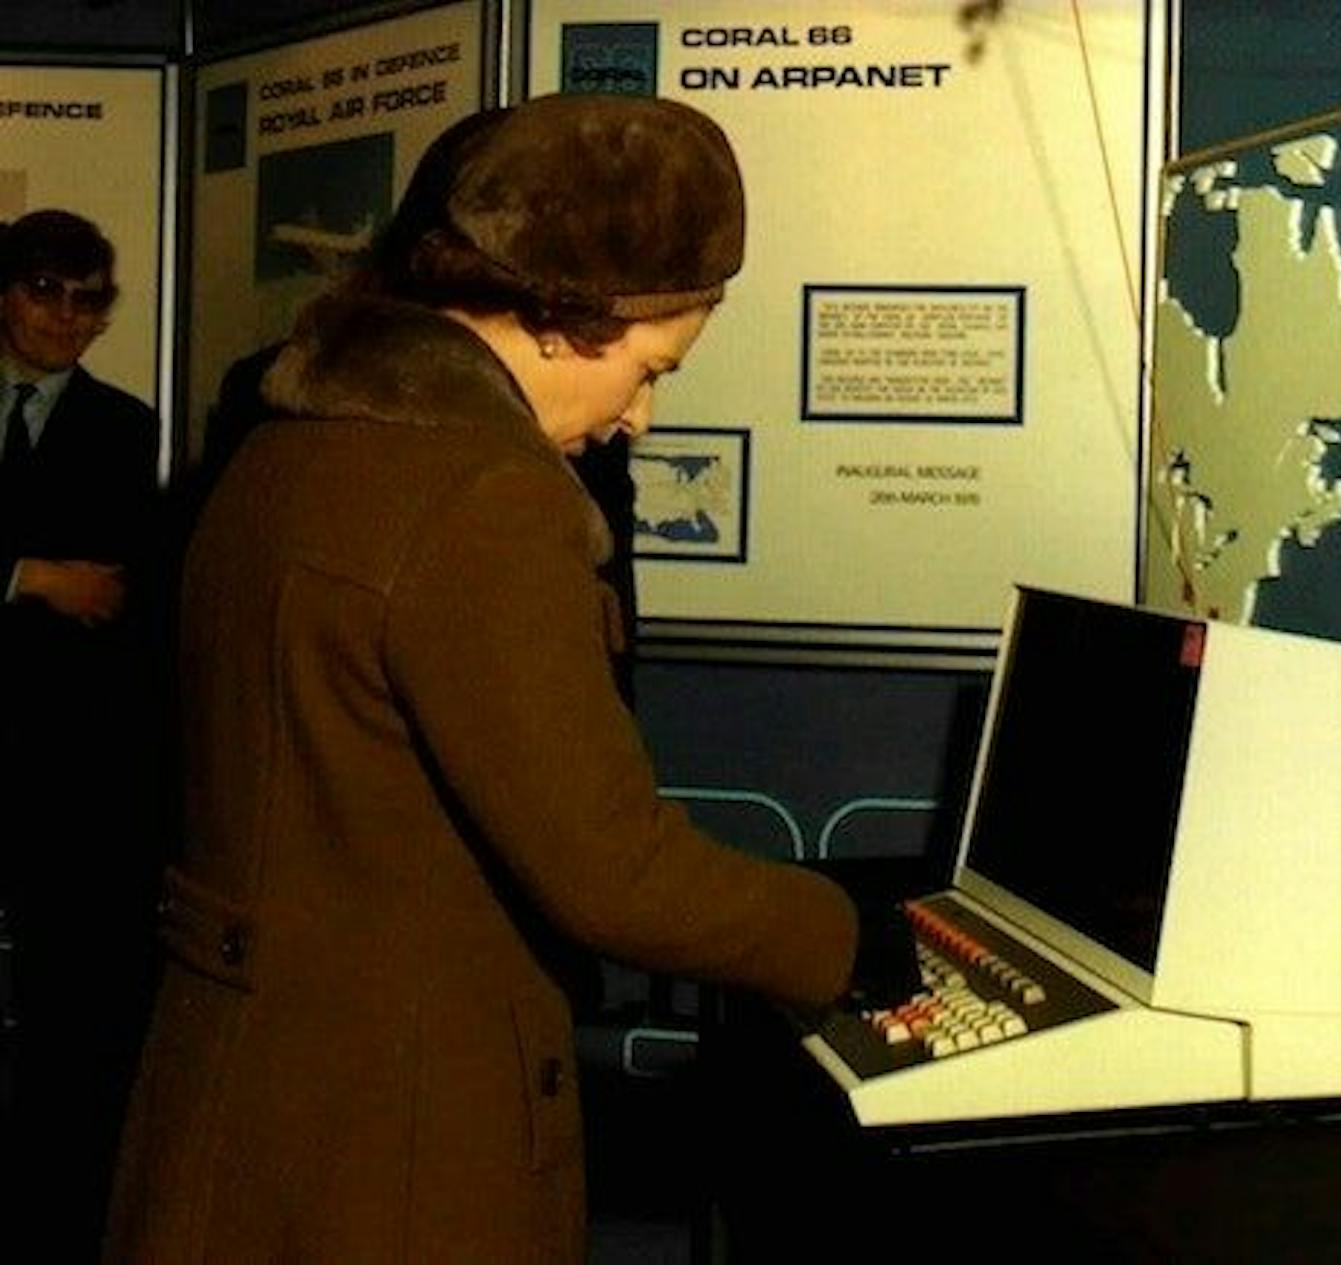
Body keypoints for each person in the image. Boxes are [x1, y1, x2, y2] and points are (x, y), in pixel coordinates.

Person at [104, 95, 864, 1261]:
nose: (642, 419)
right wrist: (852, 939)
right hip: (399, 1144)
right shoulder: (481, 499)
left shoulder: (296, 438)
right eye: (652, 366)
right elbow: (614, 872)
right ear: (566, 320)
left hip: (246, 1103)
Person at [0, 208, 164, 1257]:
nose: (69, 318)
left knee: (72, 1005)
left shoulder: (122, 426)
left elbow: (120, 592)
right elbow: (73, 579)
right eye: (46, 292)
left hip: (68, 756)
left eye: (90, 298)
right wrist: (31, 576)